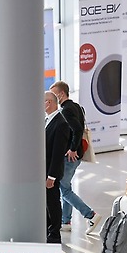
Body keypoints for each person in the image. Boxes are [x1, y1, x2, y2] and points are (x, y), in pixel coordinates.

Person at [49, 81, 102, 235]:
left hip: (70, 156)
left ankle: (90, 215)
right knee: (66, 187)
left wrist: (72, 148)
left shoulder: (65, 110)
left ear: (61, 94)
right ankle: (66, 221)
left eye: (53, 95)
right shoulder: (76, 106)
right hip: (75, 154)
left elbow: (77, 129)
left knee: (64, 189)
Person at [44, 91, 70, 244]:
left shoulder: (61, 124)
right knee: (47, 202)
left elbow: (58, 153)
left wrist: (51, 176)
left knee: (53, 202)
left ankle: (54, 233)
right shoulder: (47, 120)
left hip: (51, 172)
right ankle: (47, 229)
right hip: (44, 169)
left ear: (49, 103)